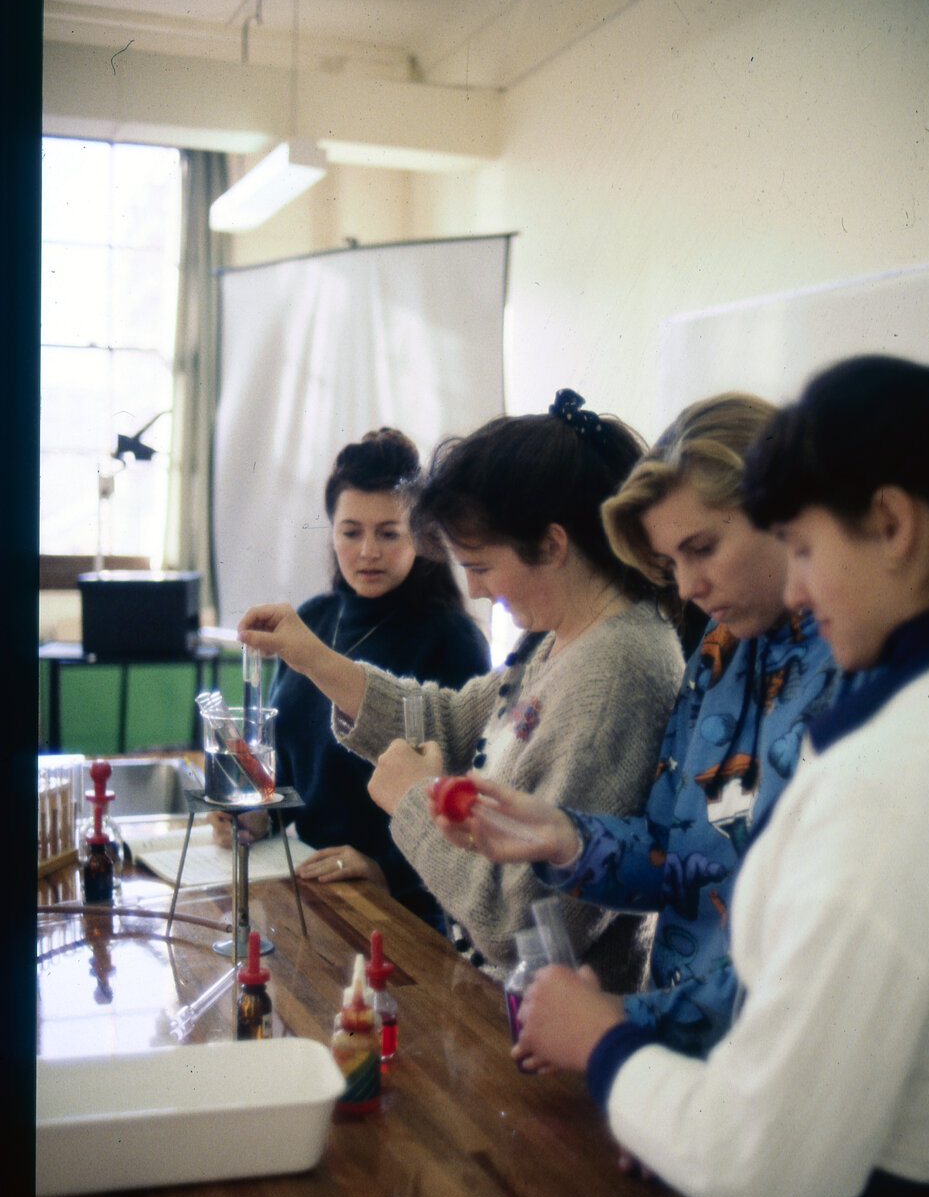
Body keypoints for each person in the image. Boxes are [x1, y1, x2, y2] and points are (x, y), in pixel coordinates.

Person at [519, 355, 929, 1197]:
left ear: (892, 526)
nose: (797, 586)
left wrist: (613, 1042)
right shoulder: (726, 664)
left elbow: (770, 1151)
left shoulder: (888, 761)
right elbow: (699, 856)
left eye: (801, 546)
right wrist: (567, 840)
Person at [434, 393, 843, 1058]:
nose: (687, 588)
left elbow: (805, 962)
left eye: (702, 549)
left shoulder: (851, 673)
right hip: (687, 1069)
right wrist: (561, 837)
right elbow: (668, 851)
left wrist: (621, 1024)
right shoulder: (717, 653)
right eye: (672, 563)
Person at [237, 390, 686, 993]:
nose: (472, 590)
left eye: (479, 565)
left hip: (554, 1031)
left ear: (552, 546)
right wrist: (310, 655)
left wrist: (413, 800)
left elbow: (521, 923)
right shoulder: (560, 637)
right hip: (497, 1003)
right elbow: (448, 720)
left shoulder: (618, 671)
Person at [210, 428, 491, 931]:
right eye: (351, 531)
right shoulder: (311, 621)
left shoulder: (452, 638)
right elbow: (291, 773)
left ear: (422, 536)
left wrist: (384, 867)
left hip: (401, 904)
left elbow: (463, 794)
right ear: (331, 532)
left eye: (389, 533)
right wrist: (257, 814)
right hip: (306, 884)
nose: (367, 552)